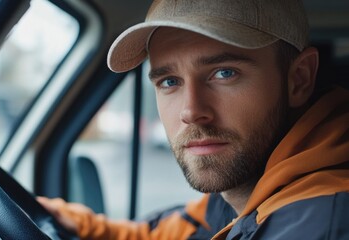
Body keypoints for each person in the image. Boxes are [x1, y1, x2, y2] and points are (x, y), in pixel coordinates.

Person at [38, 0, 349, 239]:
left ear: (299, 79)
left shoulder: (323, 221)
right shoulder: (246, 188)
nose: (190, 111)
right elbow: (179, 231)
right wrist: (85, 226)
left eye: (224, 73)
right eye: (170, 81)